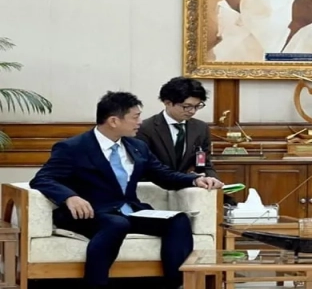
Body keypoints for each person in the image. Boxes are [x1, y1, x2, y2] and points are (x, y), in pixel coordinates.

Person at [29, 91, 215, 289]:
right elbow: (42, 179)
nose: (140, 122)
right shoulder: (73, 147)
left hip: (129, 212)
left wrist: (195, 180)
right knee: (116, 223)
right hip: (90, 213)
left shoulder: (137, 146)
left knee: (177, 220)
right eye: (135, 117)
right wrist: (70, 196)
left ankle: (175, 284)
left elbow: (163, 175)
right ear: (113, 121)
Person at [136, 77, 234, 203]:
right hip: (155, 192)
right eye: (186, 106)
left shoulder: (200, 128)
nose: (192, 111)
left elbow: (204, 163)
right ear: (167, 103)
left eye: (197, 106)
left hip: (187, 192)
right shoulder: (145, 128)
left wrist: (214, 181)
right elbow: (146, 170)